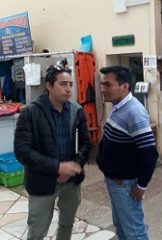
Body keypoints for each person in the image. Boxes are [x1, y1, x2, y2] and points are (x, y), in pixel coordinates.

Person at [14, 60, 92, 240]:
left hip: (71, 182)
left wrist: (74, 165)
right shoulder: (31, 112)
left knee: (67, 223)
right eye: (63, 84)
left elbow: (86, 144)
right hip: (42, 182)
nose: (68, 89)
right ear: (48, 86)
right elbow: (22, 151)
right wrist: (57, 168)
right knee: (37, 231)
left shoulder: (76, 110)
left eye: (71, 84)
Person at [97, 66, 158, 240]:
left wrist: (141, 186)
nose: (103, 89)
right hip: (115, 182)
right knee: (122, 228)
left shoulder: (134, 112)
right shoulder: (118, 107)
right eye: (102, 84)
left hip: (126, 186)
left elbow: (150, 153)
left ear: (125, 87)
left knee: (134, 233)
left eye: (108, 85)